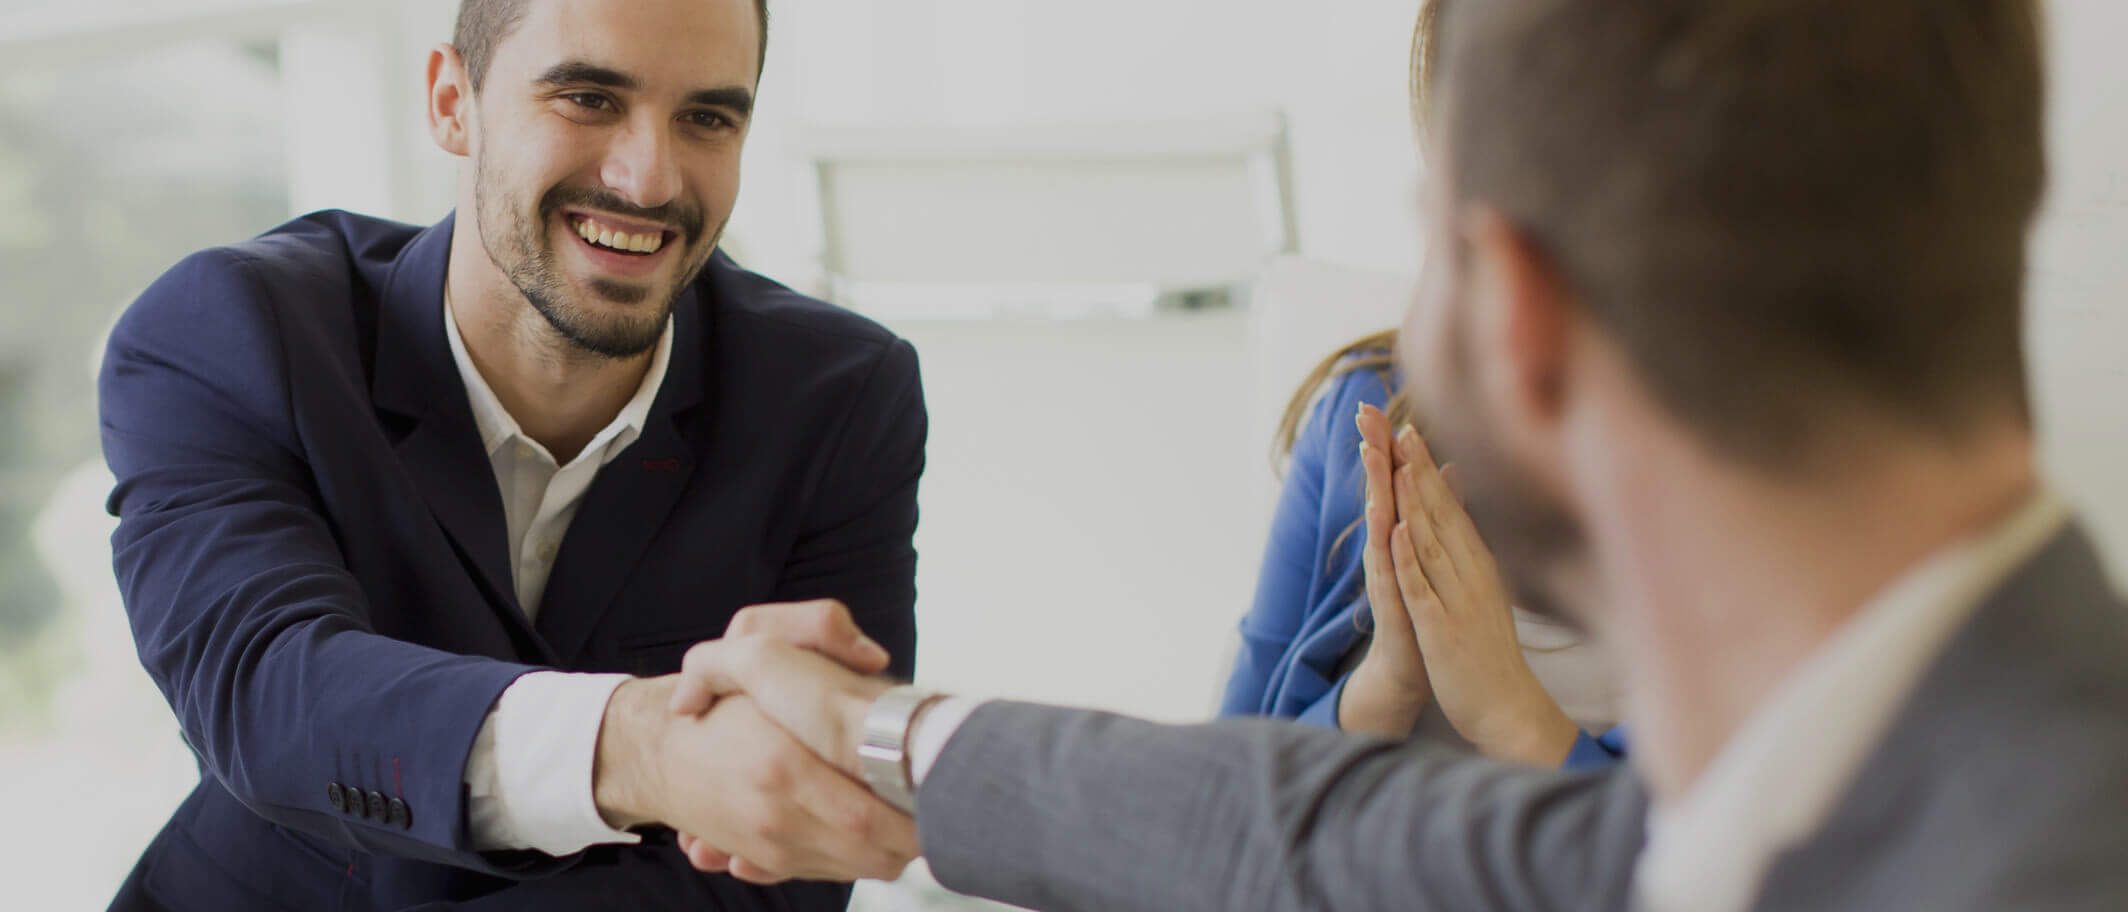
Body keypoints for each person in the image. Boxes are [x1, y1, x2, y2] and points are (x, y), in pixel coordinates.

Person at [673, 0, 2123, 909]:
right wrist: (886, 737)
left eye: (1431, 234)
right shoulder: (1872, 777)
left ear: (1519, 315)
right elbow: (1295, 826)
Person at [94, 0, 928, 905]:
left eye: (707, 118)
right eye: (588, 99)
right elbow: (267, 690)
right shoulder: (233, 331)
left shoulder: (837, 397)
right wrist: (644, 749)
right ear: (453, 102)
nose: (649, 179)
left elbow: (795, 849)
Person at [1228, 0, 1624, 770]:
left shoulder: (1757, 467)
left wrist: (1514, 715)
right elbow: (1216, 792)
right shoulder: (1358, 412)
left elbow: (1764, 835)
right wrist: (1383, 687)